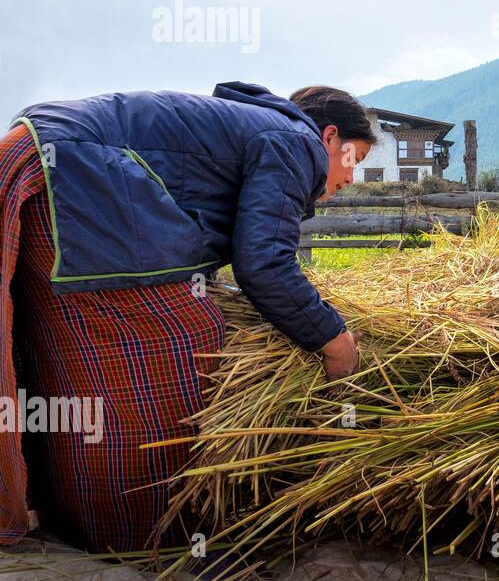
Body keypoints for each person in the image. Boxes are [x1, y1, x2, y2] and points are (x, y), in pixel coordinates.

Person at [1, 81, 373, 551]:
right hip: (74, 173)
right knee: (189, 338)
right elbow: (264, 263)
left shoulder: (260, 130)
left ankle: (72, 522)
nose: (350, 179)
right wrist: (334, 341)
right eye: (353, 160)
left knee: (64, 354)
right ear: (329, 137)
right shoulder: (295, 142)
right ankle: (146, 538)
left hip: (45, 156)